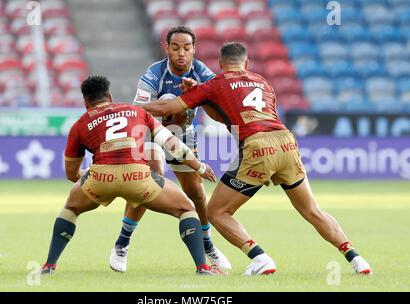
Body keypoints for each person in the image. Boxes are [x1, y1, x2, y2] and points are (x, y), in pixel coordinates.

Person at [140, 42, 372, 275]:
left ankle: (259, 257)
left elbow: (167, 106)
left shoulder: (215, 83)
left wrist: (135, 108)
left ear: (220, 64)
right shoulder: (264, 83)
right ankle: (357, 259)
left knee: (216, 212)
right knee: (312, 211)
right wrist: (204, 98)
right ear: (246, 63)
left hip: (257, 146)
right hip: (286, 142)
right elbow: (231, 113)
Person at [39, 75, 226, 276]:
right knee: (187, 209)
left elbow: (70, 173)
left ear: (85, 102)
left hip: (101, 177)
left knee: (70, 208)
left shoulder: (80, 124)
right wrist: (199, 167)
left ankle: (49, 266)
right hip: (137, 176)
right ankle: (203, 268)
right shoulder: (137, 111)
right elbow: (171, 143)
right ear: (110, 97)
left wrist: (87, 177)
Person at [110, 25, 231, 272]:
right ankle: (122, 244)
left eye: (187, 48)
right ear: (167, 48)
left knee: (196, 193)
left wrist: (197, 95)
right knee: (151, 180)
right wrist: (172, 108)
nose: (181, 53)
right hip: (151, 133)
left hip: (184, 136)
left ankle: (207, 244)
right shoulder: (155, 73)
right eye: (175, 48)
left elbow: (220, 111)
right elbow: (138, 109)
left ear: (194, 49)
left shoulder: (203, 74)